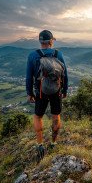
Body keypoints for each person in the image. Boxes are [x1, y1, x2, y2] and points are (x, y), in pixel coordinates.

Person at [26, 30, 68, 162]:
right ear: (51, 41)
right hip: (56, 91)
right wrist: (65, 90)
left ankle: (40, 144)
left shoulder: (33, 55)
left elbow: (29, 77)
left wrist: (30, 93)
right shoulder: (58, 54)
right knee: (56, 115)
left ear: (40, 41)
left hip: (40, 91)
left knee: (38, 116)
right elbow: (64, 74)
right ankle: (54, 142)